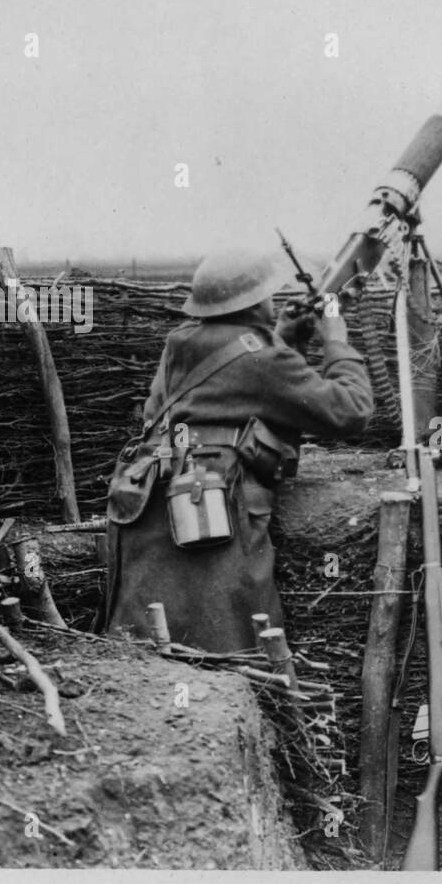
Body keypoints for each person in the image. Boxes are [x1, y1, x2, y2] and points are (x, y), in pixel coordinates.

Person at [103, 249, 374, 652]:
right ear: (256, 302)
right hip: (213, 506)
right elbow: (351, 410)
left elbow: (228, 391)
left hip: (156, 498)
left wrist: (282, 337)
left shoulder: (179, 343)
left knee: (156, 637)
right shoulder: (263, 359)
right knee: (232, 640)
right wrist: (336, 341)